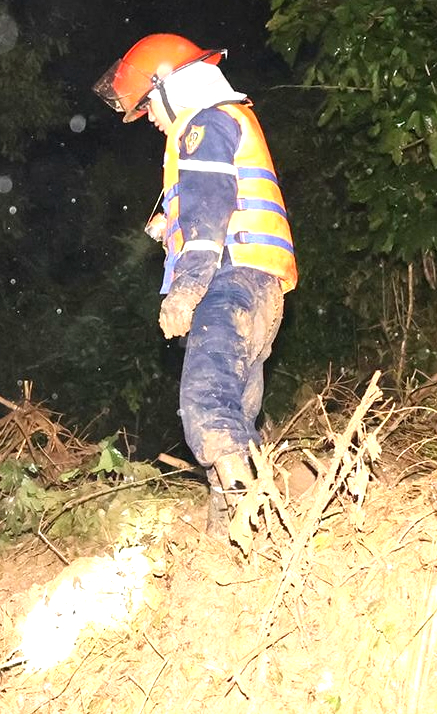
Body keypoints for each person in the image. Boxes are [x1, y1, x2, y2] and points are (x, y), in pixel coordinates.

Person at [93, 34, 298, 527]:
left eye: (148, 104)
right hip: (261, 284)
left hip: (230, 280)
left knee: (206, 404)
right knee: (235, 412)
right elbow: (217, 197)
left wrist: (185, 291)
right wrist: (170, 223)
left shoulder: (204, 123)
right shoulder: (228, 120)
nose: (149, 118)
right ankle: (234, 536)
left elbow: (209, 213)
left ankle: (256, 517)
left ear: (170, 87)